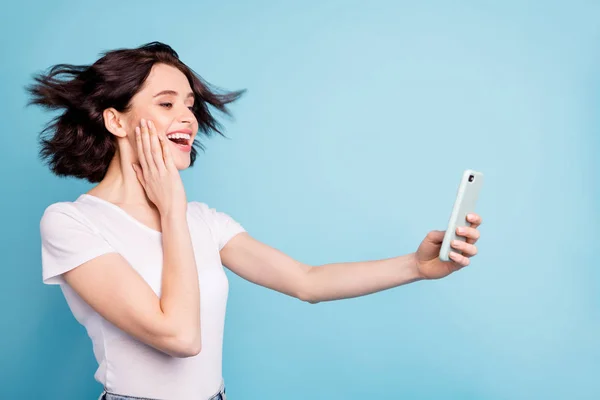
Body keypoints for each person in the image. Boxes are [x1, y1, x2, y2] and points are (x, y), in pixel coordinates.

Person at [28, 42, 483, 400]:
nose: (188, 116)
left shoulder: (203, 220)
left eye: (189, 104)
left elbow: (308, 282)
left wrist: (416, 267)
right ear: (116, 120)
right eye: (166, 104)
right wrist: (171, 210)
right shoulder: (73, 222)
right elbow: (180, 336)